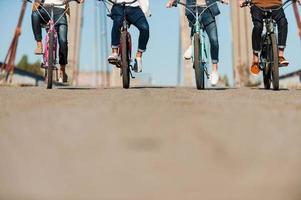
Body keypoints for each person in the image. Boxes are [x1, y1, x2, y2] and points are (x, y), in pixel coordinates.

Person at [166, 0, 229, 85]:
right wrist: (171, 2)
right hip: (193, 9)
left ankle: (214, 70)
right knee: (195, 26)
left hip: (208, 10)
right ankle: (192, 45)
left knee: (214, 40)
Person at [239, 0, 300, 75]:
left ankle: (280, 56)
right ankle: (255, 59)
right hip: (257, 5)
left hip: (276, 6)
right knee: (258, 27)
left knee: (283, 22)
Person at [31, 0, 84, 83]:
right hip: (44, 10)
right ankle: (39, 45)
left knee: (63, 41)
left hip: (60, 11)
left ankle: (62, 70)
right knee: (34, 14)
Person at [107, 0, 150, 73]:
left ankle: (139, 56)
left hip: (134, 7)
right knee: (117, 22)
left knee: (145, 28)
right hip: (118, 6)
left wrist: (145, 10)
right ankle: (115, 52)